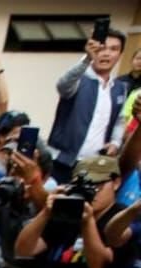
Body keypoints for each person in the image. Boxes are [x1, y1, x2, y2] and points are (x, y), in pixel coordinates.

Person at [48, 31, 129, 182]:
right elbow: (62, 85)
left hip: (94, 167)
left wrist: (115, 143)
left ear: (120, 54)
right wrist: (86, 59)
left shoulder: (120, 88)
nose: (106, 54)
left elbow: (119, 120)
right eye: (102, 48)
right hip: (62, 161)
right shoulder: (79, 79)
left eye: (113, 49)